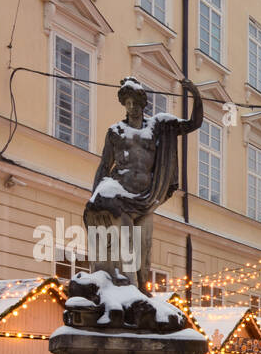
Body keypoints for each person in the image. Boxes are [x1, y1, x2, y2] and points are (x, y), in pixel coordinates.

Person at [84, 77, 203, 295]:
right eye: (127, 103)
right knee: (128, 241)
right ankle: (130, 290)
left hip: (146, 198)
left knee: (145, 245)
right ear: (124, 105)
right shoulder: (116, 132)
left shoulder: (157, 127)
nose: (132, 107)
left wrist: (195, 95)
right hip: (119, 195)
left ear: (142, 103)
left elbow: (193, 124)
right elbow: (104, 165)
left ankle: (140, 288)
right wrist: (94, 198)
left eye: (135, 103)